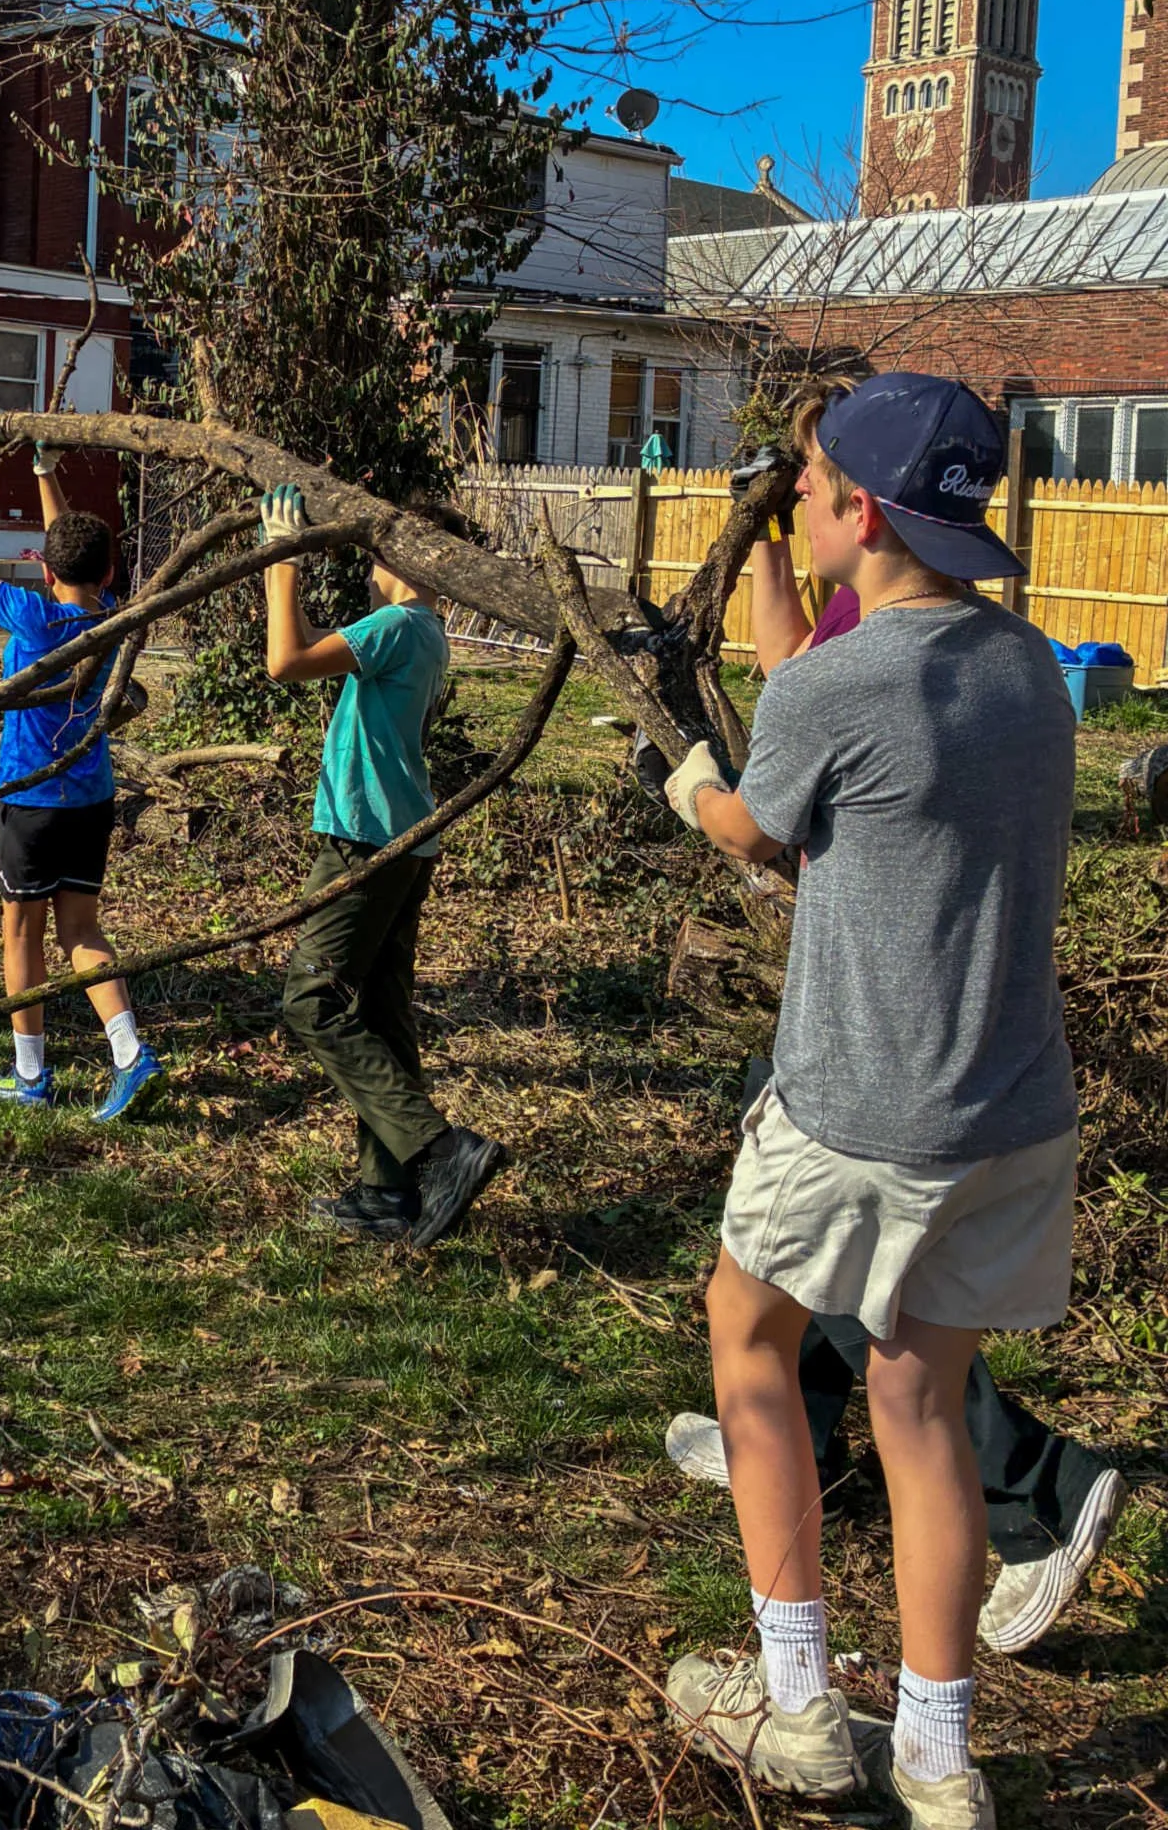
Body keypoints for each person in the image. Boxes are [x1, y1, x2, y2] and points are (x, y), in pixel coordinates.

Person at [659, 374, 1082, 1830]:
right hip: (1007, 1111)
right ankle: (939, 1756)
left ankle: (798, 1714)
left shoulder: (846, 687)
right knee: (921, 1408)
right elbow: (845, 731)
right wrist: (774, 579)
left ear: (864, 511)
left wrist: (683, 780)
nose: (800, 495)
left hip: (857, 1109)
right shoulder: (1024, 669)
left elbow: (758, 832)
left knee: (750, 1344)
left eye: (813, 481)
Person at [258, 484, 503, 1252]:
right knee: (383, 1016)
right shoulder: (423, 629)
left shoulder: (396, 623)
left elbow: (284, 660)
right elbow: (313, 651)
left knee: (311, 1000)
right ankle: (386, 1190)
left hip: (363, 842)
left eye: (375, 550)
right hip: (404, 841)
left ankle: (437, 1151)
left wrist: (283, 557)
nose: (367, 564)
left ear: (402, 557)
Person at [0, 446, 163, 1122]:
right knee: (82, 929)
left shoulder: (32, 617)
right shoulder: (111, 612)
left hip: (32, 799)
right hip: (91, 795)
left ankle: (30, 1074)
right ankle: (129, 1053)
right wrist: (44, 474)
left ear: (41, 567)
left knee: (20, 939)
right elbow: (74, 552)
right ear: (109, 570)